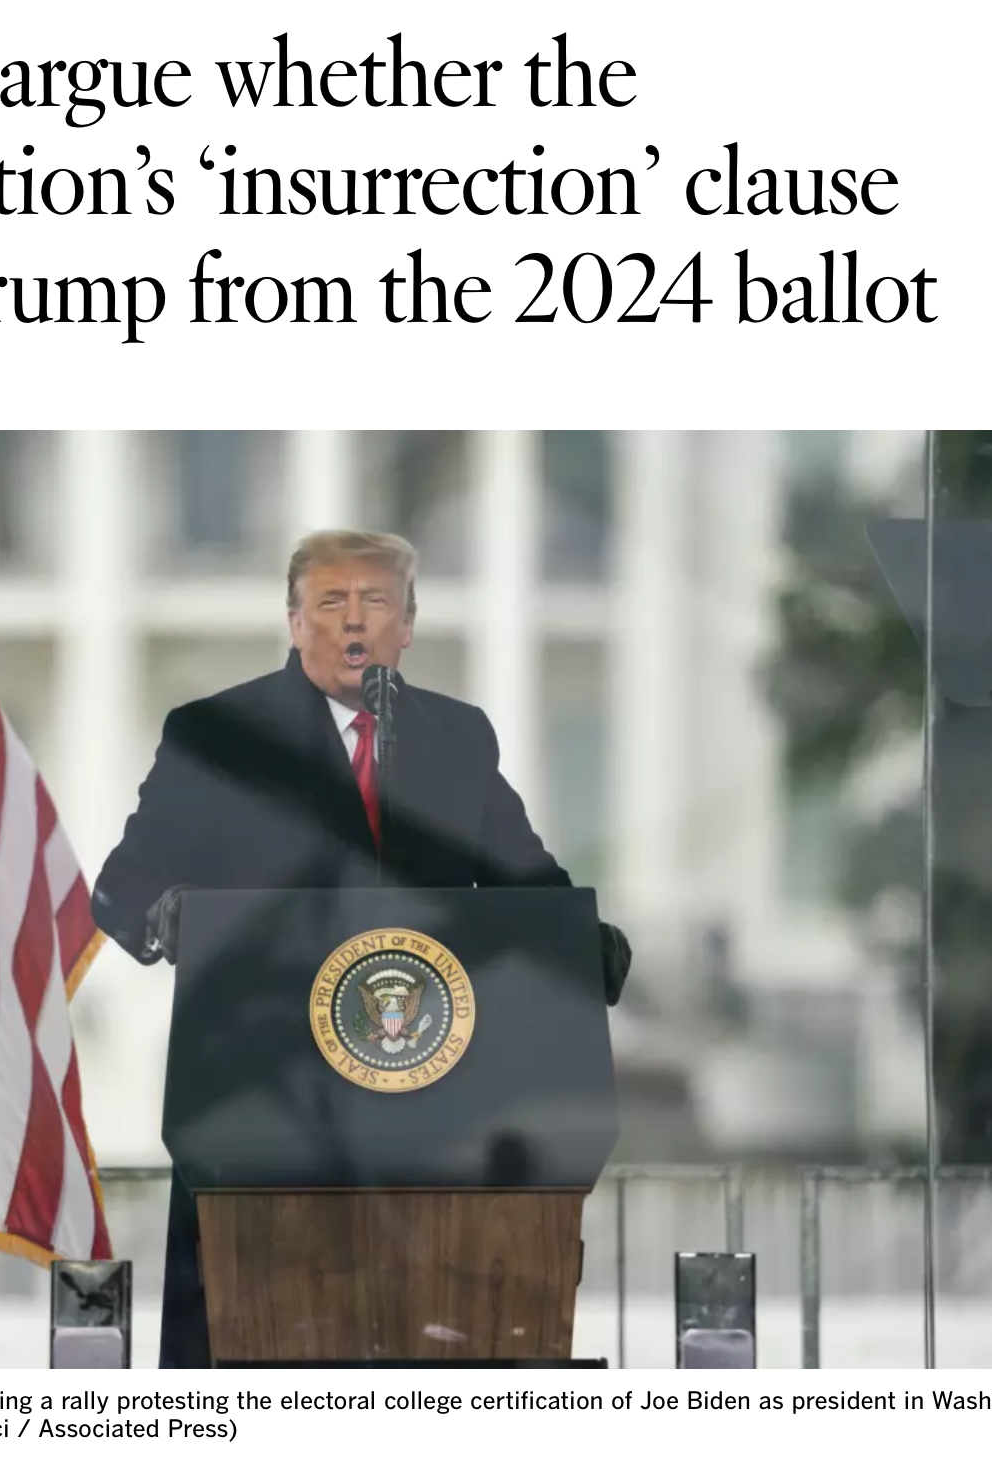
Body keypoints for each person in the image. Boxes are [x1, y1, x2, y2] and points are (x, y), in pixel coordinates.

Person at [91, 528, 631, 1367]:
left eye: (375, 602)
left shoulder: (456, 738)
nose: (354, 620)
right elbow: (122, 890)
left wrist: (575, 941)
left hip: (435, 1115)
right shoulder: (216, 735)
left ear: (406, 625)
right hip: (259, 1111)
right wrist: (168, 914)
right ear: (294, 621)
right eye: (331, 602)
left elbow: (523, 880)